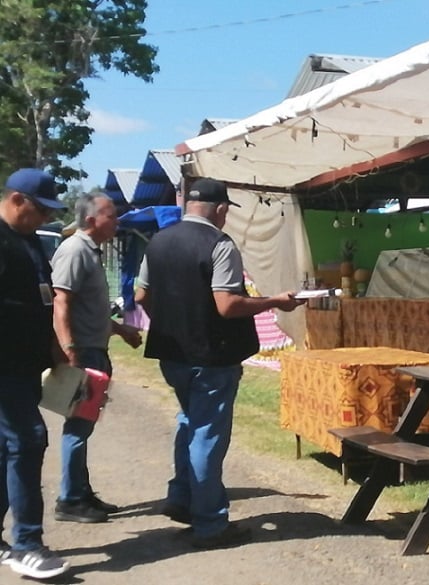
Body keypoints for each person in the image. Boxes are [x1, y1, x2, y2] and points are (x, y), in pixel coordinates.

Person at [134, 178, 304, 549]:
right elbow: (227, 305)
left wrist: (170, 320)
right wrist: (275, 301)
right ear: (222, 210)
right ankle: (209, 522)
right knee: (207, 436)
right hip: (211, 355)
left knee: (188, 422)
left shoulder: (159, 241)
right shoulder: (220, 244)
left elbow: (142, 294)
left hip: (171, 352)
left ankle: (182, 497)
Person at [50, 192, 143, 523]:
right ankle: (70, 499)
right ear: (91, 220)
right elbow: (61, 303)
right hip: (84, 352)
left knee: (84, 425)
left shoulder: (91, 251)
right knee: (78, 426)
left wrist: (119, 330)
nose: (116, 222)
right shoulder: (74, 251)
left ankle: (80, 490)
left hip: (95, 348)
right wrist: (69, 349)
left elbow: (89, 309)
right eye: (111, 216)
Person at [0, 168, 70, 579]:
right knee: (29, 441)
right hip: (4, 366)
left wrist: (54, 349)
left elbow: (40, 301)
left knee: (7, 449)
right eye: (41, 210)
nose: (45, 218)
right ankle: (27, 544)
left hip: (27, 367)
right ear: (17, 200)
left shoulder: (29, 242)